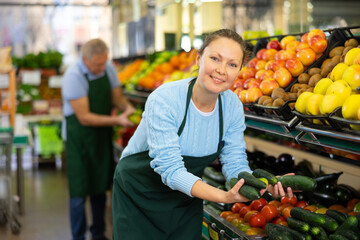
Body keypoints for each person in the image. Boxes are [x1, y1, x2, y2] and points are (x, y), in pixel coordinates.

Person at [112, 29, 293, 239]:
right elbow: (170, 170)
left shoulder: (232, 106)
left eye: (232, 64)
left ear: (240, 71)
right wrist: (225, 196)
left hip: (185, 200)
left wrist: (263, 184)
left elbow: (235, 164)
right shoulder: (165, 99)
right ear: (198, 59)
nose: (221, 70)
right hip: (138, 196)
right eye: (215, 59)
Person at [61, 38, 135, 240]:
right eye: (97, 65)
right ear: (85, 60)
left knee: (100, 187)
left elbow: (117, 97)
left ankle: (99, 234)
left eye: (104, 63)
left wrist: (126, 108)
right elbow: (84, 117)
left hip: (101, 138)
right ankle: (78, 236)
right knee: (78, 192)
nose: (102, 68)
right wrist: (117, 120)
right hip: (78, 141)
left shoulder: (108, 69)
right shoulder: (73, 77)